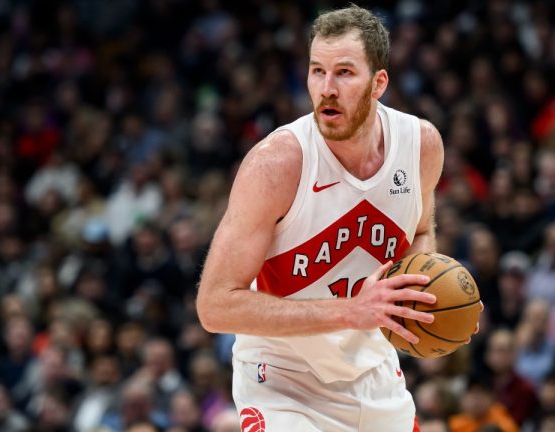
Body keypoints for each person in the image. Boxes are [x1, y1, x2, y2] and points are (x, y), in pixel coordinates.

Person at [197, 5, 478, 431]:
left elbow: (420, 232)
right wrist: (351, 311)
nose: (327, 88)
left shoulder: (420, 145)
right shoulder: (277, 164)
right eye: (317, 71)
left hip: (373, 372)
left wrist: (418, 297)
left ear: (378, 82)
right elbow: (215, 306)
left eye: (344, 73)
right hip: (282, 381)